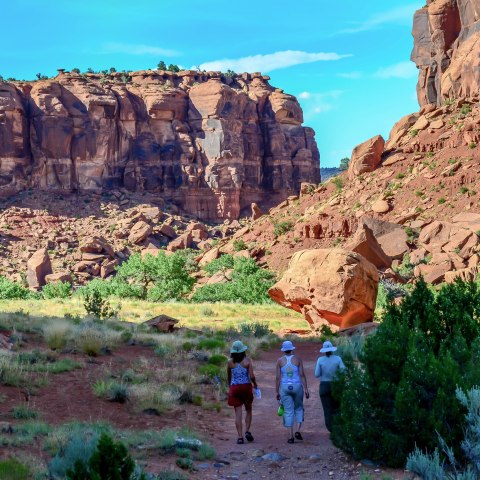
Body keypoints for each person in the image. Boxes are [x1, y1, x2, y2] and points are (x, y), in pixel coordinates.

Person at [275, 340, 310, 443]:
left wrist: (277, 391)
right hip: (297, 386)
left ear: (283, 350)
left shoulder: (280, 361)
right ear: (292, 349)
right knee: (299, 408)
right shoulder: (298, 359)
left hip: (284, 387)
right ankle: (298, 430)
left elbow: (278, 377)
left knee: (288, 411)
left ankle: (290, 437)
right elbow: (302, 375)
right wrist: (306, 388)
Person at [227, 340, 257, 444]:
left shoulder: (230, 362)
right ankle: (247, 431)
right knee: (248, 409)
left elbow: (229, 377)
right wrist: (255, 385)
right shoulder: (247, 361)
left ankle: (240, 437)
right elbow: (252, 376)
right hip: (246, 387)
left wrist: (229, 387)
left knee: (237, 413)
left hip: (234, 388)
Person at [314, 340, 345, 432]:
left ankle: (330, 429)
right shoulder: (338, 359)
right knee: (337, 407)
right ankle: (338, 428)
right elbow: (343, 371)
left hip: (324, 385)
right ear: (332, 349)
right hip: (336, 384)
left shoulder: (320, 360)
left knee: (327, 409)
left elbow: (316, 374)